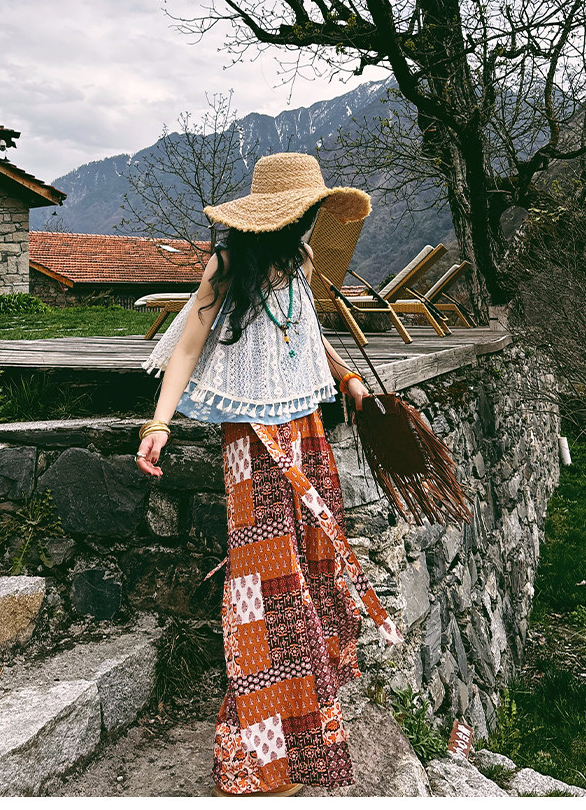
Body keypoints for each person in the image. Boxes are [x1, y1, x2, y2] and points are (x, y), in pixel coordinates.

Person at [135, 153, 402, 796]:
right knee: (265, 583)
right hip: (251, 443)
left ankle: (307, 723)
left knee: (314, 563)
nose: (310, 221)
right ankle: (258, 754)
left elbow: (303, 332)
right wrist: (159, 423)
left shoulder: (300, 260)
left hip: (306, 429)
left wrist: (346, 376)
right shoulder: (228, 265)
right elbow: (189, 345)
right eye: (304, 211)